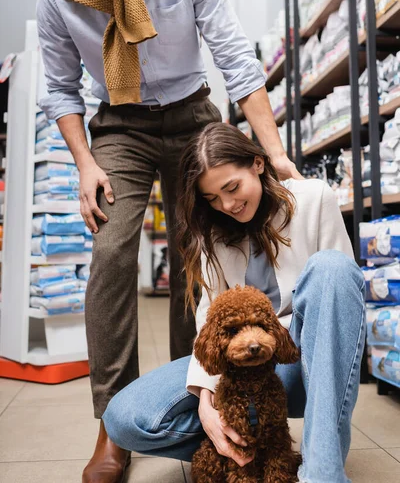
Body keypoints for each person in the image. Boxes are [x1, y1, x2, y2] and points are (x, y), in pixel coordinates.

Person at [37, 0, 300, 481]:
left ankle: (197, 397)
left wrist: (274, 152)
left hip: (191, 113)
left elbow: (233, 54)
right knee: (108, 251)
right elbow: (60, 88)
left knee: (198, 252)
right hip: (119, 125)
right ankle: (111, 429)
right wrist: (84, 163)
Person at [103, 123, 366, 483]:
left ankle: (322, 472)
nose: (227, 205)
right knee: (124, 418)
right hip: (240, 370)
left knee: (332, 268)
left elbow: (340, 298)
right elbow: (208, 316)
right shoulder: (212, 230)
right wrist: (206, 399)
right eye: (212, 198)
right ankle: (249, 448)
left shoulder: (315, 198)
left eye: (232, 187)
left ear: (257, 163)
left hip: (307, 360)